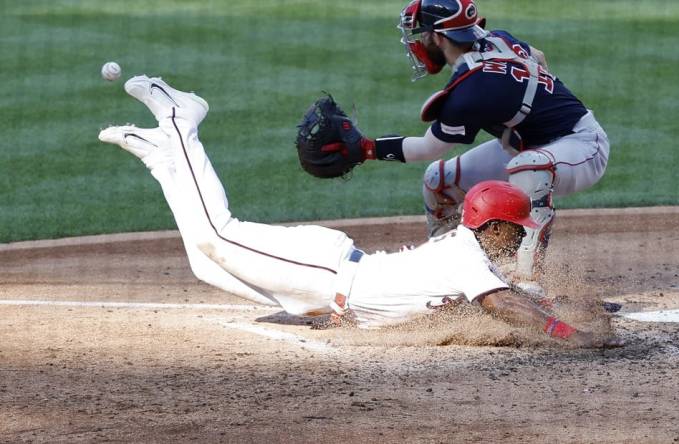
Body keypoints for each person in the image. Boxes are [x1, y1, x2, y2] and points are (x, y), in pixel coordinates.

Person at [98, 75, 619, 348]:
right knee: (218, 233)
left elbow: (513, 298)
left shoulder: (472, 259)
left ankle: (165, 159)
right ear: (494, 226)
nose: (520, 238)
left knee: (203, 262)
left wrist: (584, 308)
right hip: (324, 271)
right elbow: (506, 306)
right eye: (516, 229)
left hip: (322, 293)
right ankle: (180, 117)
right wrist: (569, 336)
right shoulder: (468, 256)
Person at [306, 0, 610, 292]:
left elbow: (428, 148)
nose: (419, 41)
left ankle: (528, 284)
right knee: (439, 181)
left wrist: (368, 149)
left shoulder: (470, 90)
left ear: (439, 37)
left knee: (529, 166)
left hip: (581, 145)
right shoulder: (497, 39)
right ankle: (451, 272)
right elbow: (539, 55)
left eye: (422, 33)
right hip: (528, 148)